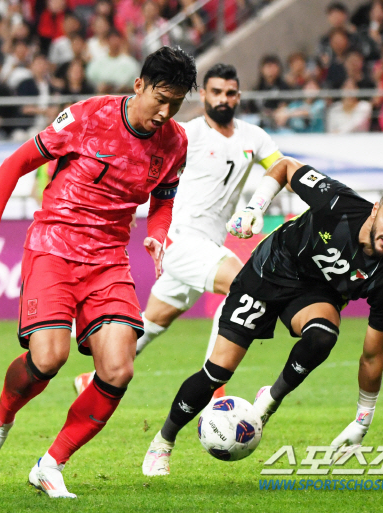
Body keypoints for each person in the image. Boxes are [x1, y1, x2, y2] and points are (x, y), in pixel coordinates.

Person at [0, 46, 196, 499]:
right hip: (55, 244)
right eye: (160, 99)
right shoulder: (86, 117)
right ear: (139, 86)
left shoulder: (175, 142)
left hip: (109, 258)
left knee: (118, 369)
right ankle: (1, 416)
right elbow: (15, 164)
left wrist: (159, 233)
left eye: (177, 103)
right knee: (49, 359)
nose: (165, 113)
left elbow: (163, 199)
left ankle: (50, 464)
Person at [142, 156, 383, 476]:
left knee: (323, 336)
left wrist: (363, 419)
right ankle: (162, 443)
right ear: (376, 209)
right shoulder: (338, 203)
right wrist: (255, 208)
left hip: (315, 294)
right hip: (270, 270)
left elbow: (373, 355)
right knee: (217, 372)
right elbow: (287, 167)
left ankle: (269, 401)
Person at [74, 64, 283, 396]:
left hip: (209, 244)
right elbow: (148, 170)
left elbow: (282, 168)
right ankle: (216, 389)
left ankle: (92, 379)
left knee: (153, 321)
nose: (223, 99)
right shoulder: (187, 134)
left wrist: (256, 206)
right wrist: (127, 209)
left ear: (238, 96)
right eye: (216, 92)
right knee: (243, 286)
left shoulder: (253, 137)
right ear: (203, 95)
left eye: (230, 93)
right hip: (180, 240)